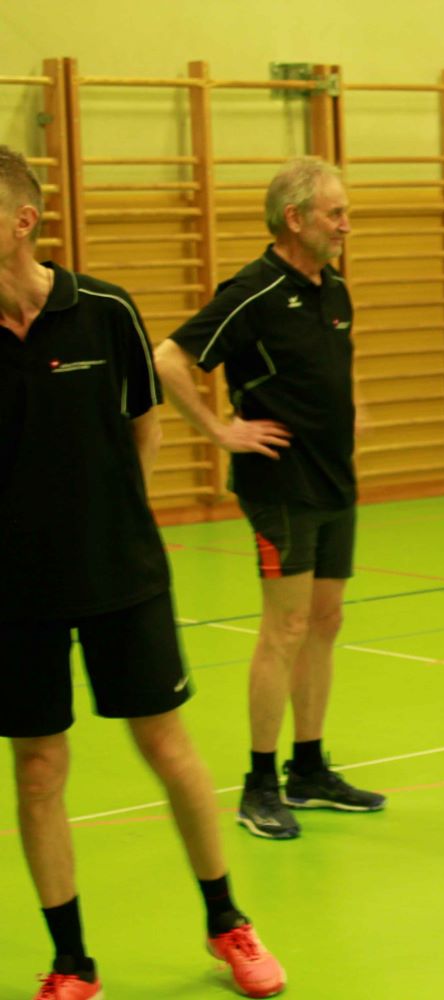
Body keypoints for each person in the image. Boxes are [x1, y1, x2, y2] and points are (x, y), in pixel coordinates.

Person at [0, 147, 284, 999]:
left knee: (166, 745)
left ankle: (228, 922)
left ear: (22, 221)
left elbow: (143, 425)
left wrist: (117, 519)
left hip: (119, 572)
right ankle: (72, 964)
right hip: (13, 593)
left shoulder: (104, 310)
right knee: (38, 769)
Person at [154, 157, 385, 840]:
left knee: (325, 620)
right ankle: (259, 785)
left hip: (334, 478)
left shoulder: (333, 288)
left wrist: (353, 406)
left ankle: (308, 769)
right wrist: (220, 430)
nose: (345, 225)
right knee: (285, 627)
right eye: (335, 213)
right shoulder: (252, 291)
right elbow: (169, 359)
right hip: (280, 486)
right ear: (294, 218)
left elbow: (337, 363)